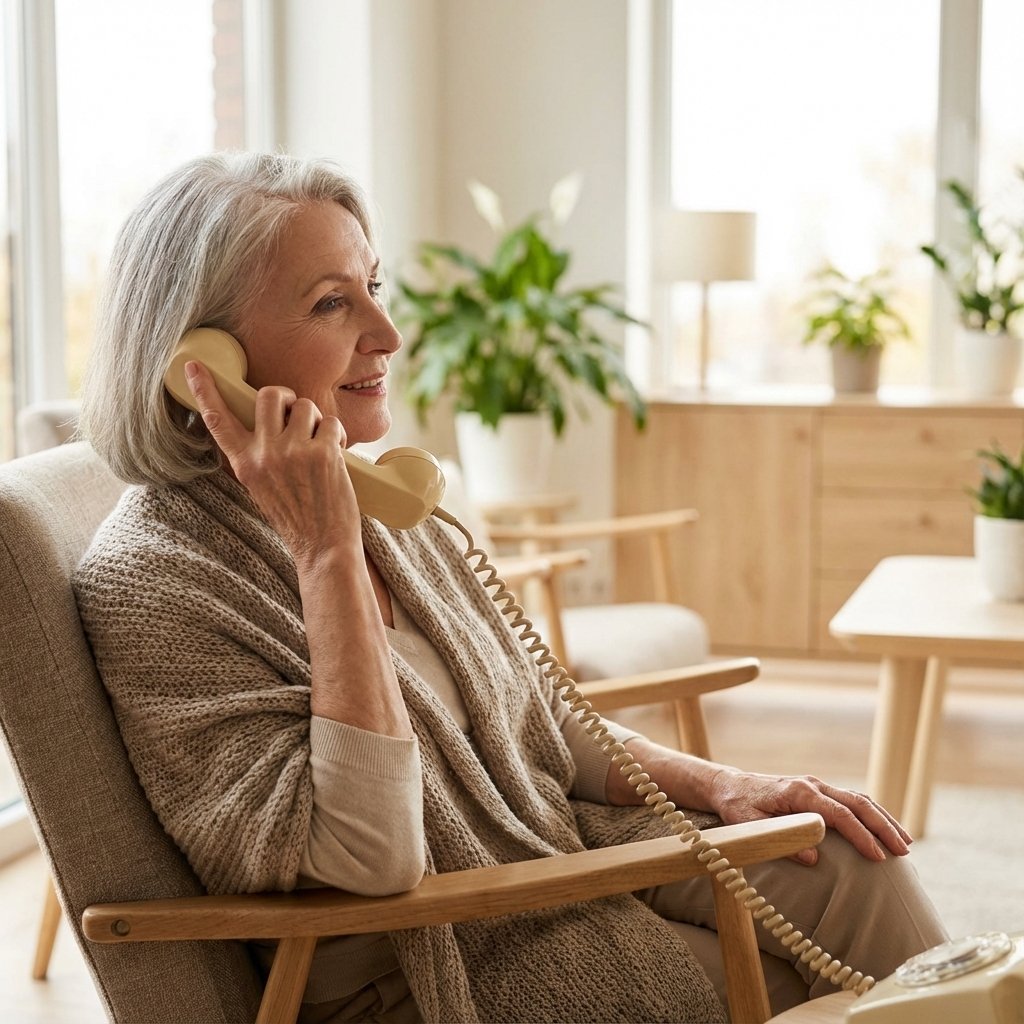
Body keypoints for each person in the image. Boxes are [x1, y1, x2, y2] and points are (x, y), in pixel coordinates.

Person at [73, 152, 947, 1024]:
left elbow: (531, 720)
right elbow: (366, 855)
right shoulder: (158, 582)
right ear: (204, 364)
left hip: (539, 854)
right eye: (332, 302)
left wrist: (720, 785)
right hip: (426, 958)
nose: (387, 333)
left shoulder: (365, 501)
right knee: (812, 993)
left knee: (853, 862)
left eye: (375, 287)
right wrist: (327, 556)